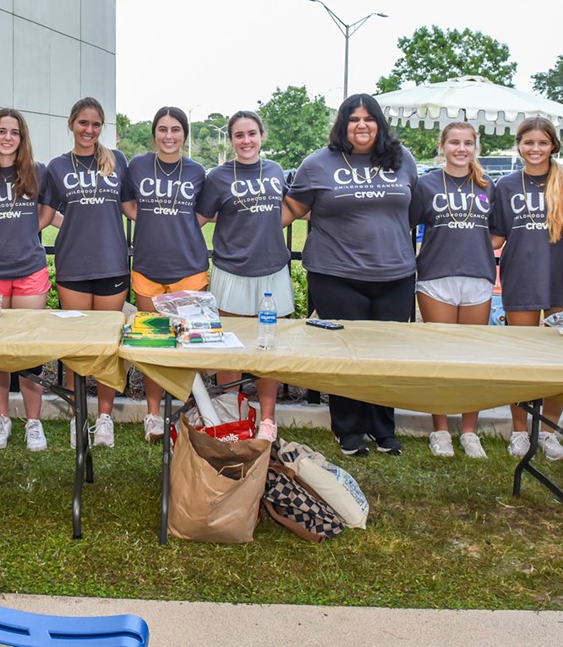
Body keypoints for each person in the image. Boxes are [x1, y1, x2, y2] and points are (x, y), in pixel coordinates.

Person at [285, 94, 418, 456]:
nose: (362, 125)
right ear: (342, 124)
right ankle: (348, 430)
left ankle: (382, 429)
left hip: (396, 274)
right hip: (336, 274)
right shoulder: (318, 163)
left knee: (385, 356)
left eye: (369, 118)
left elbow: (411, 211)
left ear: (379, 123)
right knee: (346, 354)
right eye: (353, 119)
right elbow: (291, 210)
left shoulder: (402, 159)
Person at [39, 97, 131, 448]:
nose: (89, 130)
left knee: (109, 345)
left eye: (95, 125)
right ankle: (81, 415)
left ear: (101, 127)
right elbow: (46, 215)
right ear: (71, 124)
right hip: (73, 265)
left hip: (111, 263)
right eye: (83, 123)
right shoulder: (57, 167)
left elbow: (131, 207)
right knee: (78, 345)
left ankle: (104, 417)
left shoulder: (116, 161)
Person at [196, 110, 291, 443]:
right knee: (231, 349)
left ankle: (267, 419)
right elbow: (200, 219)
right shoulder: (218, 177)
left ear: (262, 135)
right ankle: (230, 414)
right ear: (231, 139)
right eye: (239, 135)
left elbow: (290, 210)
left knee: (269, 349)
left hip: (272, 271)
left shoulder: (276, 171)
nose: (246, 140)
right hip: (231, 271)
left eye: (252, 133)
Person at [410, 122, 497, 458]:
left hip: (477, 278)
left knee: (473, 358)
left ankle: (470, 432)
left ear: (475, 147)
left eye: (468, 143)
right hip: (436, 278)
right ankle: (441, 430)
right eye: (455, 143)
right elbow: (408, 225)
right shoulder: (426, 184)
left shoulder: (490, 185)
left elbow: (498, 232)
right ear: (442, 146)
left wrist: (470, 250)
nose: (461, 149)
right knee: (441, 355)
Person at [0, 109, 52, 451]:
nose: (7, 137)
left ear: (22, 137)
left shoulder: (36, 172)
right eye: (1, 131)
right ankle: (2, 418)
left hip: (30, 269)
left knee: (30, 348)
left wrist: (28, 231)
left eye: (14, 132)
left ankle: (33, 421)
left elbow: (45, 211)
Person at [489, 118, 563, 460]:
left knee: (560, 360)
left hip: (562, 280)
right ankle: (521, 430)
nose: (535, 149)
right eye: (528, 143)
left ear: (553, 145)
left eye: (542, 142)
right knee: (520, 360)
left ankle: (550, 431)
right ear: (519, 146)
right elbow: (496, 236)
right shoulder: (506, 185)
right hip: (521, 277)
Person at [123, 106, 209, 442]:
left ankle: (190, 411)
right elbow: (129, 206)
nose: (169, 136)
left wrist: (178, 227)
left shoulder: (198, 170)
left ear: (184, 134)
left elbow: (200, 215)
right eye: (162, 129)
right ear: (154, 133)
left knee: (190, 344)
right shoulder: (138, 165)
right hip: (148, 267)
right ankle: (154, 415)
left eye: (175, 129)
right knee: (154, 344)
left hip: (188, 268)